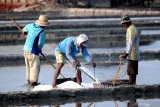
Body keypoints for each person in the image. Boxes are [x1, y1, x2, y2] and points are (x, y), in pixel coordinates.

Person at [22, 15, 49, 86]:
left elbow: (25, 29)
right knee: (35, 66)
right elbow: (40, 43)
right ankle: (33, 82)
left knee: (28, 65)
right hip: (33, 51)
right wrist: (39, 49)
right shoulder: (41, 31)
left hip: (25, 49)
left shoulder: (31, 25)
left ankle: (29, 80)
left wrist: (24, 32)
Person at [119, 14, 140, 85]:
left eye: (123, 24)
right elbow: (130, 43)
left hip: (132, 55)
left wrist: (126, 53)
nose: (123, 25)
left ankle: (131, 89)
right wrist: (126, 51)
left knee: (131, 74)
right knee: (132, 73)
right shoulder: (131, 28)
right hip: (133, 54)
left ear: (127, 22)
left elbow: (131, 43)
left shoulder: (131, 29)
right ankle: (133, 87)